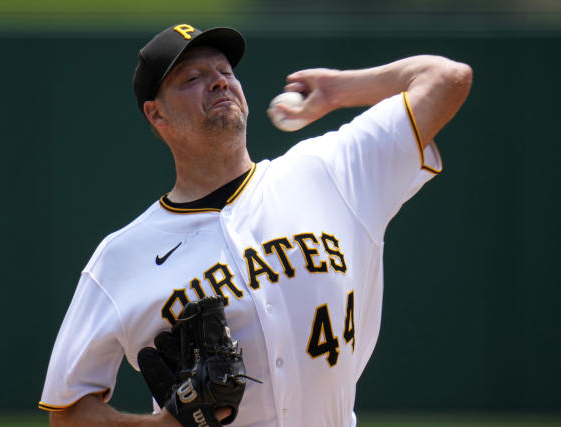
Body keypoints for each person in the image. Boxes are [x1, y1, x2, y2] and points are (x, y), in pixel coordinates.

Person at [39, 23, 472, 426]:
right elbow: (69, 411)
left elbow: (447, 78)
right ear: (157, 115)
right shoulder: (120, 258)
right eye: (191, 78)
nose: (219, 81)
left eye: (226, 71)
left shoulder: (330, 172)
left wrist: (341, 89)